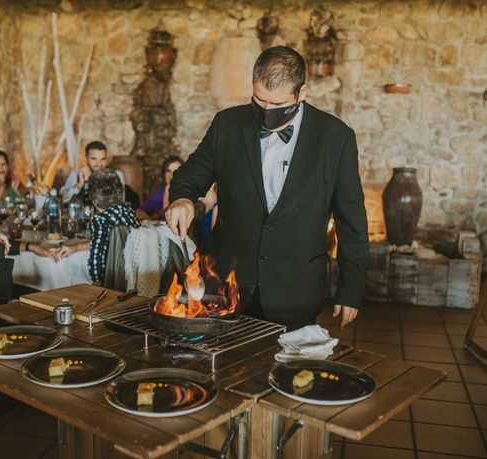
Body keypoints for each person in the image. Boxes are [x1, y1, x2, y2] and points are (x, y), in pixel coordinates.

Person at [166, 46, 369, 331]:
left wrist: (351, 290)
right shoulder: (227, 124)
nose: (266, 113)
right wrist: (182, 200)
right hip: (226, 285)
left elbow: (352, 221)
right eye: (259, 101)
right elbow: (190, 174)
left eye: (277, 106)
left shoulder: (336, 138)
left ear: (302, 93)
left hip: (295, 289)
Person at [53, 168, 140, 283]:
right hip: (134, 273)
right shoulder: (128, 212)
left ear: (93, 198)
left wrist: (97, 281)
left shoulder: (100, 221)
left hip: (113, 282)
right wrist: (75, 248)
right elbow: (109, 240)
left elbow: (96, 260)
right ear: (120, 191)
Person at [60, 140, 140, 208]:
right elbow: (64, 200)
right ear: (86, 158)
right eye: (94, 159)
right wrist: (80, 184)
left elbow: (120, 202)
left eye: (103, 159)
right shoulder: (75, 175)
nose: (99, 164)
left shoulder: (116, 175)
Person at [137, 155, 183, 220]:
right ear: (163, 174)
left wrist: (166, 195)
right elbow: (142, 209)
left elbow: (168, 217)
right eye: (168, 171)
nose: (172, 175)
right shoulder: (161, 190)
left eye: (176, 171)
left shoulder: (186, 192)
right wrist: (143, 214)